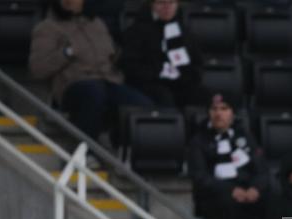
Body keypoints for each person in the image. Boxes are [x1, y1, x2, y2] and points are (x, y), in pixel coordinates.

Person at [28, 0, 152, 142]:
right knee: (94, 93)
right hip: (74, 84)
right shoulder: (46, 28)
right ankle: (84, 148)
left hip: (108, 80)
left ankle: (119, 146)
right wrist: (67, 53)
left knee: (142, 105)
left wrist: (119, 57)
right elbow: (38, 69)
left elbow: (111, 52)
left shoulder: (96, 23)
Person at [187, 92, 275, 219]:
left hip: (247, 194)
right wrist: (229, 190)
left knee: (275, 197)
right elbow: (200, 178)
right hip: (215, 198)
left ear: (232, 113)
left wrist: (255, 189)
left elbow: (262, 170)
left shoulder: (245, 137)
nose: (218, 113)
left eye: (224, 109)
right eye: (214, 109)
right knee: (229, 202)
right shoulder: (199, 141)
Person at [119, 0, 207, 108]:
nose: (167, 7)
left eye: (171, 3)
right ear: (152, 5)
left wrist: (187, 77)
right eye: (161, 2)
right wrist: (157, 72)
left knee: (206, 96)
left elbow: (197, 63)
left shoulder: (185, 33)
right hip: (149, 84)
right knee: (164, 97)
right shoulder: (136, 32)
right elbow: (130, 66)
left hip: (180, 83)